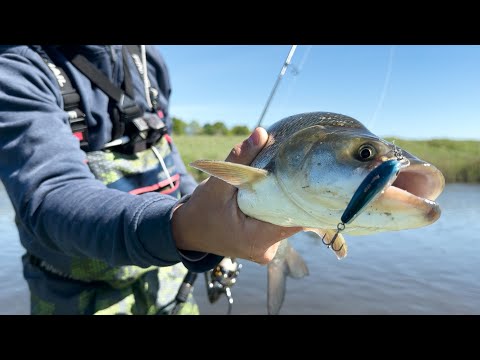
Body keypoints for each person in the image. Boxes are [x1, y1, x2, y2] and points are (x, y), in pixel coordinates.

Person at [0, 45, 301, 315]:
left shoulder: (148, 59)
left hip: (167, 276)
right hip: (75, 292)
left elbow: (167, 157)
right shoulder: (16, 68)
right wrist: (184, 227)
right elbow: (52, 194)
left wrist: (208, 218)